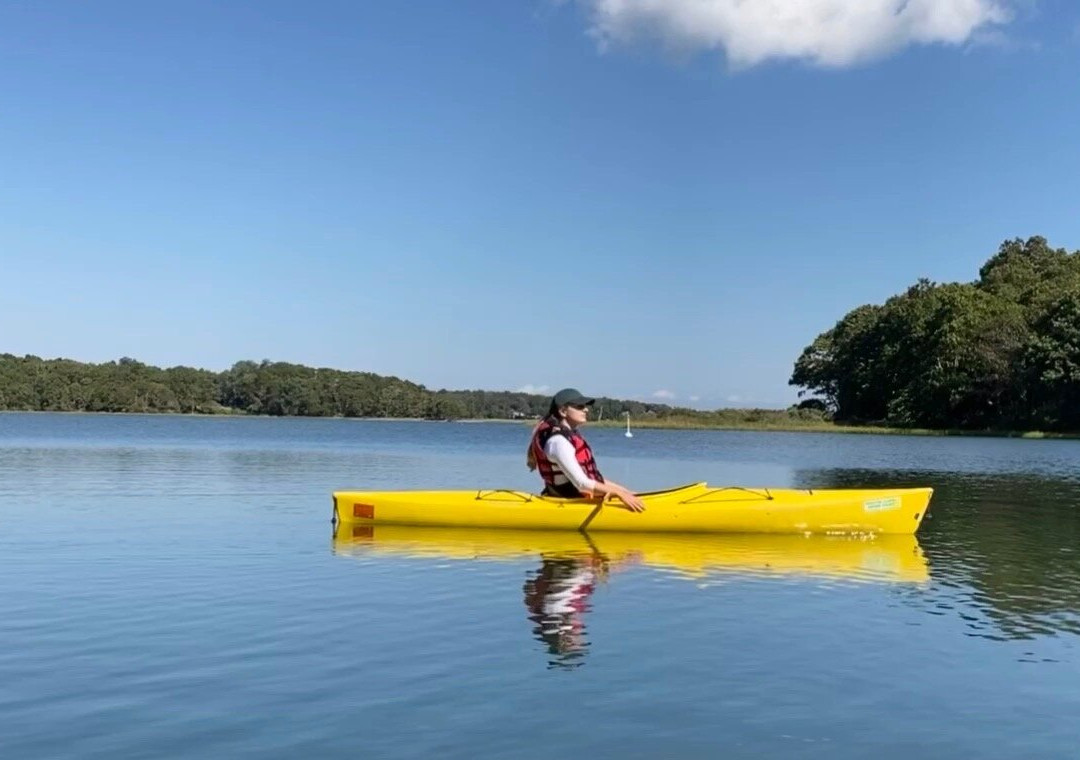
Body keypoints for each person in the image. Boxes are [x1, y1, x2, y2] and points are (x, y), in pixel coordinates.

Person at [526, 388, 646, 512]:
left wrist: (626, 492)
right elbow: (582, 484)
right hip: (568, 504)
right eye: (579, 406)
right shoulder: (558, 442)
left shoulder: (569, 437)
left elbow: (593, 479)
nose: (586, 409)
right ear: (563, 411)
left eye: (585, 406)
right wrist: (619, 494)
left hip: (577, 500)